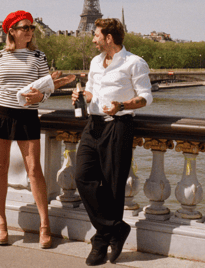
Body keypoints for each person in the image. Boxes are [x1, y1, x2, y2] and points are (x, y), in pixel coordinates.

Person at [0, 10, 73, 249]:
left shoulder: (38, 56)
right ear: (11, 31)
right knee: (0, 169)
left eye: (31, 28)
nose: (30, 32)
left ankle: (45, 224)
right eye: (25, 28)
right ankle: (1, 222)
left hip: (27, 116)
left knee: (34, 170)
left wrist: (39, 98)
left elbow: (48, 88)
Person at [71, 18, 152, 265]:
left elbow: (146, 97)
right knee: (82, 177)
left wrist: (123, 106)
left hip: (118, 126)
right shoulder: (96, 62)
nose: (93, 39)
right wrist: (83, 95)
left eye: (96, 35)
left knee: (113, 186)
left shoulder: (134, 63)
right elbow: (92, 93)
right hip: (93, 125)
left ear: (108, 38)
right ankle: (115, 229)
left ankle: (101, 242)